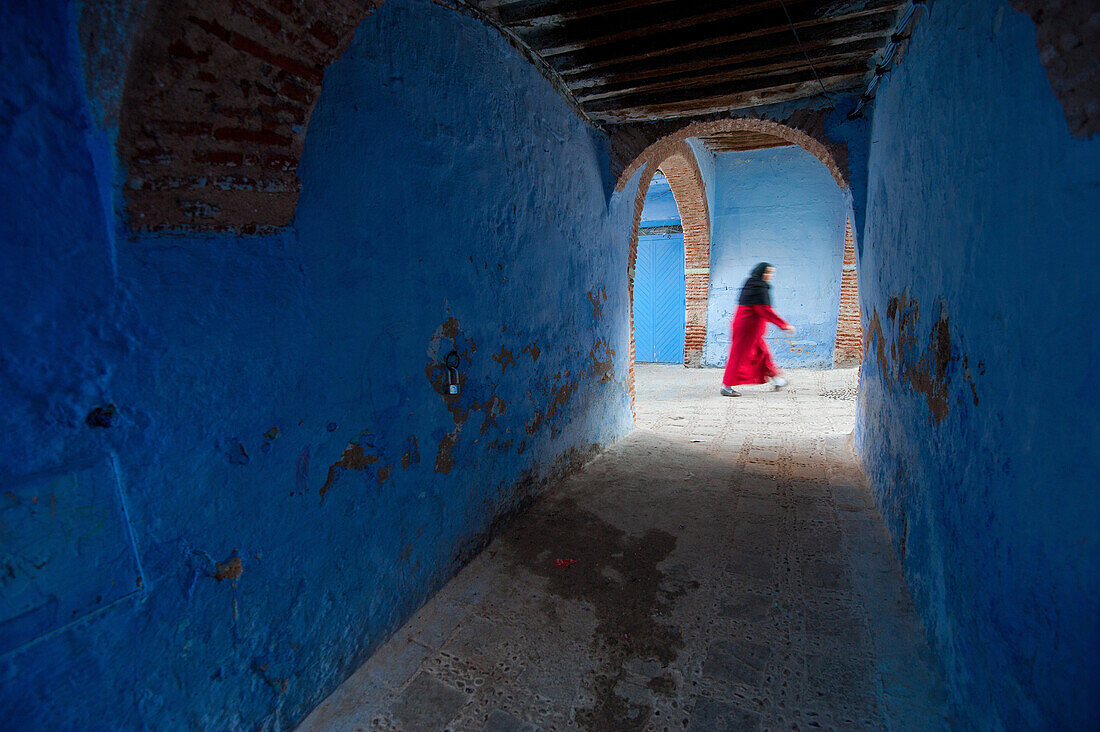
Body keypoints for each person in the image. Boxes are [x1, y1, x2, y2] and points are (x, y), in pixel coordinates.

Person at [720, 262, 796, 397]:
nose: (769, 276)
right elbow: (765, 311)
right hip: (746, 329)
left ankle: (777, 379)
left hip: (751, 329)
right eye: (767, 273)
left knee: (762, 353)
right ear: (760, 273)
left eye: (771, 273)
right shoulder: (758, 287)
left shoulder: (754, 284)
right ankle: (726, 386)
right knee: (737, 356)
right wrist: (784, 325)